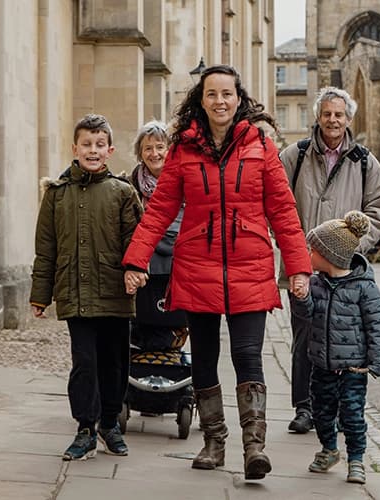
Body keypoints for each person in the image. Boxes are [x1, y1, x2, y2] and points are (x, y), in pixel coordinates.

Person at [120, 65, 312, 480]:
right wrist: (137, 260)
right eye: (212, 94)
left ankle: (254, 448)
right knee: (204, 359)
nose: (220, 101)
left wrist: (298, 267)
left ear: (238, 99)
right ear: (201, 100)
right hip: (196, 267)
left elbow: (283, 211)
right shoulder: (183, 149)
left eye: (227, 93)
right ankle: (213, 442)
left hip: (250, 265)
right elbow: (159, 211)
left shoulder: (260, 146)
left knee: (247, 355)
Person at [278, 86, 380, 434]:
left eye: (339, 115)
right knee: (304, 338)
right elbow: (277, 207)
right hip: (303, 266)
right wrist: (296, 250)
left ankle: (341, 409)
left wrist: (352, 245)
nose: (333, 120)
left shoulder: (364, 162)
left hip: (345, 272)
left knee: (345, 340)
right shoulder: (294, 156)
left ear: (348, 119)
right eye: (327, 113)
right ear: (318, 116)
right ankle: (305, 407)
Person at [30, 114, 141, 461]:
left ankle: (110, 423)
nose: (92, 151)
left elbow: (136, 242)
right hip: (75, 293)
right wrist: (40, 294)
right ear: (74, 148)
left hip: (114, 293)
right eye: (86, 145)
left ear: (109, 150)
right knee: (84, 363)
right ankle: (84, 429)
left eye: (99, 145)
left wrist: (136, 270)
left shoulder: (123, 193)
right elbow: (45, 248)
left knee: (115, 363)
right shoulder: (56, 195)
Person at [290, 211, 380, 485]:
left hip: (353, 368)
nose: (309, 253)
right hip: (321, 365)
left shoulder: (364, 288)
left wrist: (378, 361)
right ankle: (329, 450)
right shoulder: (316, 283)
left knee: (352, 415)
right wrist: (300, 297)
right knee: (322, 412)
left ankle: (356, 459)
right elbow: (307, 315)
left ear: (329, 254)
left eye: (313, 249)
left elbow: (377, 325)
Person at [126, 120, 188, 359]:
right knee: (141, 336)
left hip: (177, 270)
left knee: (172, 336)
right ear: (140, 153)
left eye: (160, 147)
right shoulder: (131, 186)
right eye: (148, 148)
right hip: (144, 272)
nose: (155, 153)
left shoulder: (184, 182)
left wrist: (151, 234)